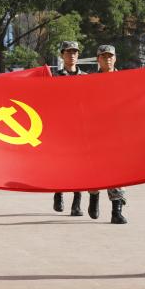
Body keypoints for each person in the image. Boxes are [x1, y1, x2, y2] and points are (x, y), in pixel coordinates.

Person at [87, 44, 128, 224]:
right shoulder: (89, 81)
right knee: (94, 170)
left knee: (117, 171)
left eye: (110, 56)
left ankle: (116, 210)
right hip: (95, 132)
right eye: (103, 56)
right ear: (98, 59)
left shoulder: (124, 80)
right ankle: (93, 196)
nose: (107, 59)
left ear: (115, 58)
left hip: (117, 133)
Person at [52, 40, 86, 216]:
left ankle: (77, 203)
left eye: (74, 52)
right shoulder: (53, 77)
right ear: (62, 55)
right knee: (60, 164)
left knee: (79, 166)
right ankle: (58, 192)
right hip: (60, 128)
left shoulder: (87, 78)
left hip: (80, 128)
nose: (72, 55)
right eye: (68, 52)